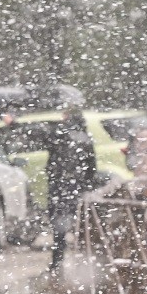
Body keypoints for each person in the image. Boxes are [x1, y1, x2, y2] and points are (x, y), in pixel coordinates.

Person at [45, 108, 98, 271]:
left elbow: (51, 163)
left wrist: (54, 179)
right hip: (76, 187)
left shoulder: (59, 137)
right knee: (81, 225)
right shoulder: (85, 138)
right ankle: (83, 260)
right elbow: (91, 167)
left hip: (60, 187)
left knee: (59, 226)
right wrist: (86, 185)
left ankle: (57, 260)